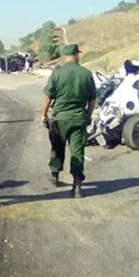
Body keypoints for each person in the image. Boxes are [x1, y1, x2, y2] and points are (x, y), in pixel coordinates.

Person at [40, 44, 96, 198]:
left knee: (57, 147)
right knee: (77, 151)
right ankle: (77, 186)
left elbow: (47, 97)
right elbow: (92, 99)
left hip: (60, 118)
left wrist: (43, 115)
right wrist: (89, 115)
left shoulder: (57, 74)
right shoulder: (86, 74)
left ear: (66, 56)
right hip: (78, 118)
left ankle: (54, 176)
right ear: (77, 55)